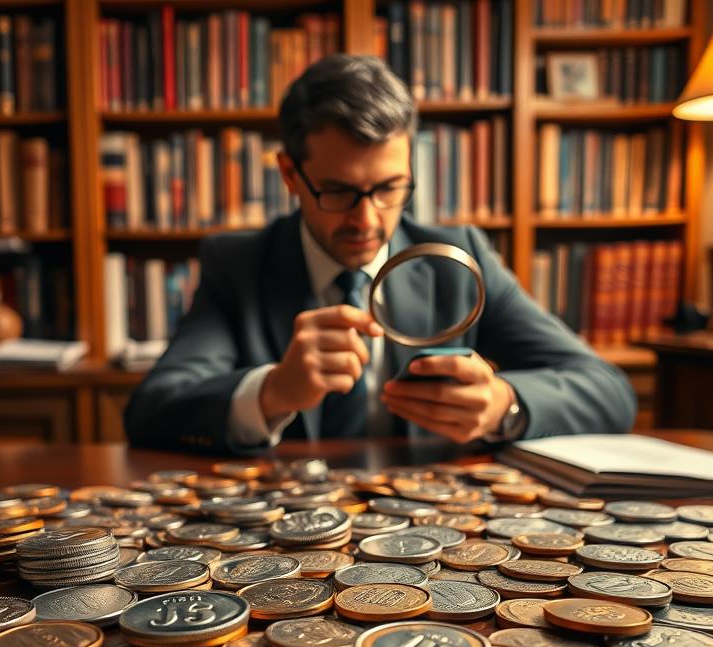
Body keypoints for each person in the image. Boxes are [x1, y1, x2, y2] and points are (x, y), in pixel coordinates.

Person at [124, 55, 636, 455]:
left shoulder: (459, 258)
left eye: (391, 188)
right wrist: (272, 391)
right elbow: (151, 411)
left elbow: (608, 391)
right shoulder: (237, 265)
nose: (368, 221)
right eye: (339, 192)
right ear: (289, 175)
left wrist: (503, 404)